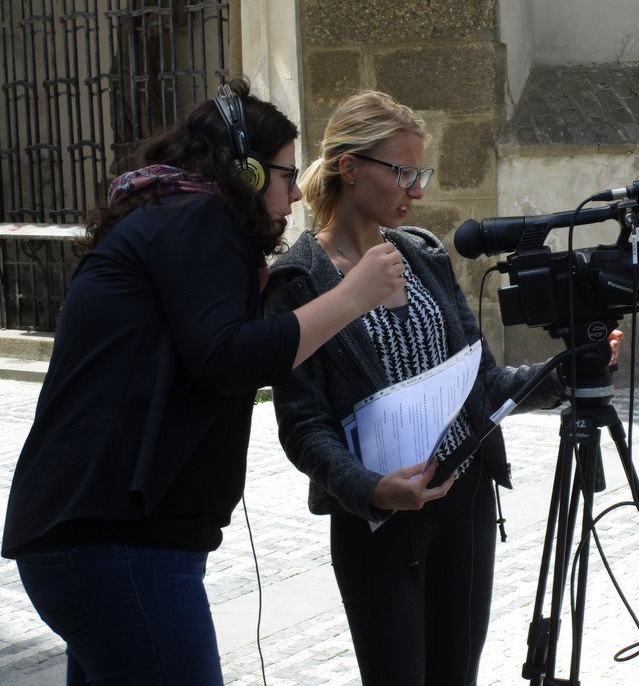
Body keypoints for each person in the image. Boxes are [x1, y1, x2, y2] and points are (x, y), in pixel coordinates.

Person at [1, 78, 406, 686]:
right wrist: (352, 296)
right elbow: (225, 357)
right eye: (284, 176)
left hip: (97, 536)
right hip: (118, 542)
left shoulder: (174, 218)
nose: (295, 196)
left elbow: (200, 349)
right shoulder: (200, 217)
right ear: (242, 172)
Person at [263, 90, 605, 686]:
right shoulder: (298, 281)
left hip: (465, 506)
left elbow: (484, 384)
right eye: (403, 173)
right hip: (378, 522)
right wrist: (369, 489)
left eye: (419, 173)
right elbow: (302, 426)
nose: (416, 191)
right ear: (349, 168)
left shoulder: (422, 254)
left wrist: (567, 373)